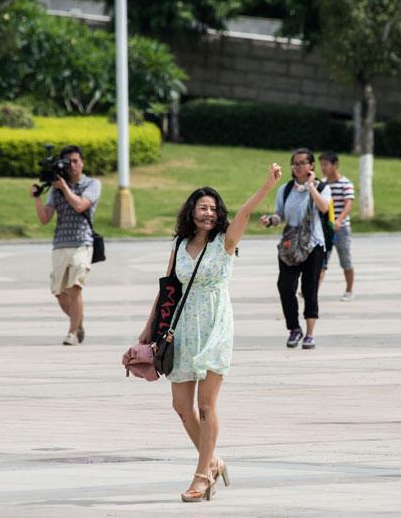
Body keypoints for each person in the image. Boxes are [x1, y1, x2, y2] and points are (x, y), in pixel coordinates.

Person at [138, 163, 282, 502]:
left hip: (216, 327)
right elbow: (167, 289)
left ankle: (202, 475)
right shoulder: (179, 244)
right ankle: (214, 461)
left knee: (206, 406)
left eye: (213, 209)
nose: (208, 212)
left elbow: (246, 212)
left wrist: (267, 186)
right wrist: (149, 328)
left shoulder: (226, 242)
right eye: (203, 207)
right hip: (182, 329)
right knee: (180, 406)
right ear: (191, 211)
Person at [260, 149, 332, 350]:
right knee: (285, 286)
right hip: (290, 246)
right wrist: (270, 220)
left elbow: (324, 208)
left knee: (310, 290)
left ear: (311, 166)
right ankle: (294, 328)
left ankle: (309, 334)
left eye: (303, 163)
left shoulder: (322, 187)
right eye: (295, 163)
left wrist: (311, 187)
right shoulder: (285, 189)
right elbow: (279, 215)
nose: (298, 167)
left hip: (313, 246)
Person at [32, 145, 101, 345]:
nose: (72, 166)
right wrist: (37, 198)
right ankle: (77, 322)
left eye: (75, 161)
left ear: (82, 162)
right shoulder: (56, 188)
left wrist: (65, 188)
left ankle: (72, 333)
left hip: (82, 241)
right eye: (67, 162)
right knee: (60, 293)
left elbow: (80, 205)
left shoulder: (92, 184)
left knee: (75, 288)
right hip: (60, 243)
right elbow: (45, 218)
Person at [318, 151, 355, 301]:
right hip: (324, 229)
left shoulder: (346, 183)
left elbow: (348, 205)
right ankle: (313, 290)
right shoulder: (322, 183)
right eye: (321, 164)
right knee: (320, 260)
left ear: (335, 165)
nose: (323, 167)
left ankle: (349, 289)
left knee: (345, 259)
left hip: (342, 229)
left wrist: (338, 220)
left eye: (326, 164)